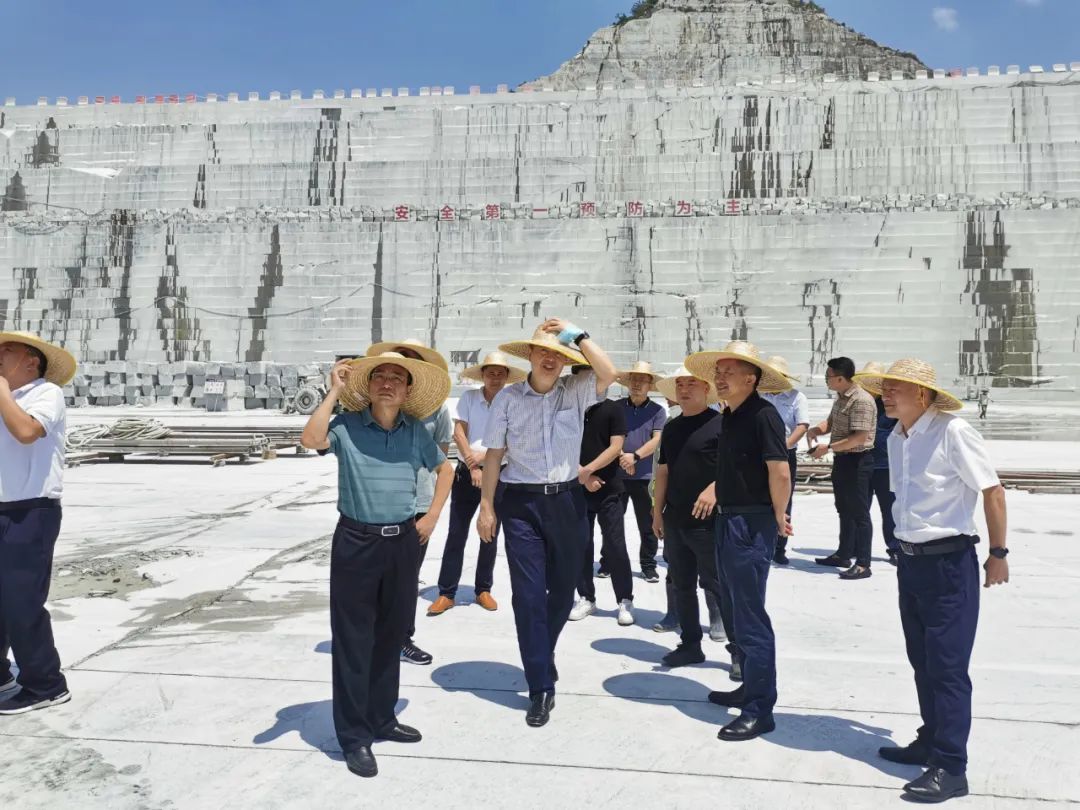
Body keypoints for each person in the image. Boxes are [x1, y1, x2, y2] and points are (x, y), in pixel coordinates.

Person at [854, 359, 1009, 803]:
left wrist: (997, 554)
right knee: (922, 659)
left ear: (922, 394)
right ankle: (931, 737)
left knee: (948, 668)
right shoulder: (898, 438)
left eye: (895, 388)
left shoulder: (952, 432)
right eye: (883, 388)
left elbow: (992, 491)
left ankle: (951, 767)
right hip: (912, 563)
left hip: (948, 564)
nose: (886, 394)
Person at [301, 350, 452, 778]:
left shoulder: (414, 432)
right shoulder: (347, 427)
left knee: (390, 635)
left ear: (407, 390)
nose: (387, 382)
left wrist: (432, 516)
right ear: (368, 387)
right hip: (356, 543)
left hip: (402, 541)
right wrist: (334, 391)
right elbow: (310, 440)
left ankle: (383, 718)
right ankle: (354, 736)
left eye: (396, 378)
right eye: (380, 376)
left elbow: (445, 470)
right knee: (353, 642)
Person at [477, 320, 616, 727]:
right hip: (521, 504)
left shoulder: (575, 392)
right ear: (531, 356)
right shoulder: (507, 399)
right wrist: (487, 506)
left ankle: (542, 650)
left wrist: (580, 335)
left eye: (558, 354)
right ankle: (540, 686)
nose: (551, 359)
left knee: (562, 592)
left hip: (568, 502)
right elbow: (492, 456)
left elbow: (609, 374)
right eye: (543, 352)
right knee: (528, 596)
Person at [684, 341, 792, 742]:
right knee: (732, 608)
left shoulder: (763, 415)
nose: (720, 378)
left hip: (751, 522)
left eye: (729, 372)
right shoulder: (732, 415)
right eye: (719, 372)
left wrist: (780, 514)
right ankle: (748, 684)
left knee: (750, 616)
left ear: (752, 377)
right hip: (728, 520)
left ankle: (760, 708)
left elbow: (778, 471)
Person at [0, 332, 76, 716]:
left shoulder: (46, 394)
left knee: (22, 601)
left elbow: (27, 433)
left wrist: (0, 391)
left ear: (31, 361)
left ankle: (45, 683)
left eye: (6, 351)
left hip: (30, 510)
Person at [366, 339, 451, 666]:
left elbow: (441, 460)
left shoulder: (438, 410)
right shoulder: (375, 406)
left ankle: (402, 638)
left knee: (405, 579)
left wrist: (431, 515)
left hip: (418, 506)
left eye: (413, 363)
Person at [428, 352, 526, 617]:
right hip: (466, 473)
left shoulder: (513, 401)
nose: (495, 377)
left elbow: (515, 437)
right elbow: (459, 431)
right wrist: (473, 464)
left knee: (490, 532)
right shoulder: (469, 398)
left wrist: (487, 458)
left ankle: (483, 588)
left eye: (500, 373)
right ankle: (446, 592)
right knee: (456, 532)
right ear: (482, 375)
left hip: (500, 473)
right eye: (490, 372)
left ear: (506, 377)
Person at [651, 367, 736, 672]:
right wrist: (656, 510)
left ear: (706, 389)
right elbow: (663, 471)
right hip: (675, 519)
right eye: (680, 384)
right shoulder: (672, 427)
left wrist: (715, 489)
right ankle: (690, 645)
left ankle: (738, 652)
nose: (684, 389)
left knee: (718, 585)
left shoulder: (722, 424)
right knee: (682, 585)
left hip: (709, 522)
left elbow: (737, 468)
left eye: (691, 384)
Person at [569, 377, 634, 625]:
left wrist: (588, 471)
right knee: (581, 546)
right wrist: (582, 476)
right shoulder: (569, 409)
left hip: (609, 489)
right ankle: (586, 597)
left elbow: (616, 446)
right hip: (577, 488)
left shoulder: (613, 409)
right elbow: (560, 445)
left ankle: (625, 599)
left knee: (615, 546)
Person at [807, 357, 877, 580]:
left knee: (860, 514)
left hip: (858, 461)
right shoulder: (841, 398)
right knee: (843, 509)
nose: (826, 381)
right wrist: (816, 431)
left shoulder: (861, 400)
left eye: (828, 377)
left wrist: (827, 447)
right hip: (843, 460)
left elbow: (859, 437)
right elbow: (831, 423)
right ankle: (844, 554)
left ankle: (863, 563)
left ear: (840, 378)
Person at [614, 362, 667, 583]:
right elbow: (608, 437)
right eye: (633, 379)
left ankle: (648, 565)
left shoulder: (657, 411)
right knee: (612, 524)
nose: (637, 384)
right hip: (616, 475)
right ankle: (610, 562)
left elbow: (657, 439)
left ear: (649, 384)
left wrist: (634, 457)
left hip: (644, 477)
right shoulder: (615, 408)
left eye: (642, 380)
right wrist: (621, 457)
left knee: (647, 524)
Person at [761, 356, 808, 566]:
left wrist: (784, 446)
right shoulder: (759, 395)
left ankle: (780, 547)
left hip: (785, 453)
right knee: (760, 498)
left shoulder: (797, 397)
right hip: (760, 453)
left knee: (783, 499)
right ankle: (762, 543)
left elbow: (802, 425)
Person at [856, 362, 900, 565]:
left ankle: (895, 549)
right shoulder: (858, 404)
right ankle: (858, 548)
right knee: (860, 510)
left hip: (886, 465)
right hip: (861, 463)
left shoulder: (891, 406)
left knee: (889, 510)